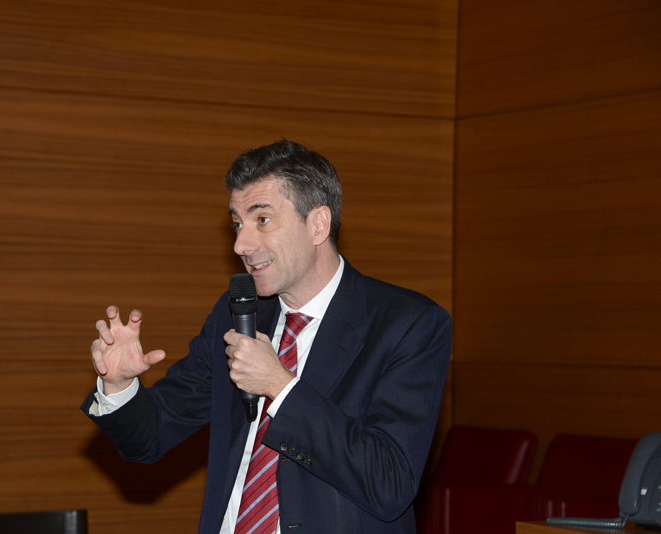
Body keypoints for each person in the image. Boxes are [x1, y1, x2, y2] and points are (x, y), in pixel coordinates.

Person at [82, 140, 452, 534]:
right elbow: (150, 437)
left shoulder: (408, 324)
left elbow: (390, 483)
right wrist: (118, 386)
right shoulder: (236, 313)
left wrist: (280, 386)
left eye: (262, 220)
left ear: (318, 224)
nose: (242, 244)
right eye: (237, 223)